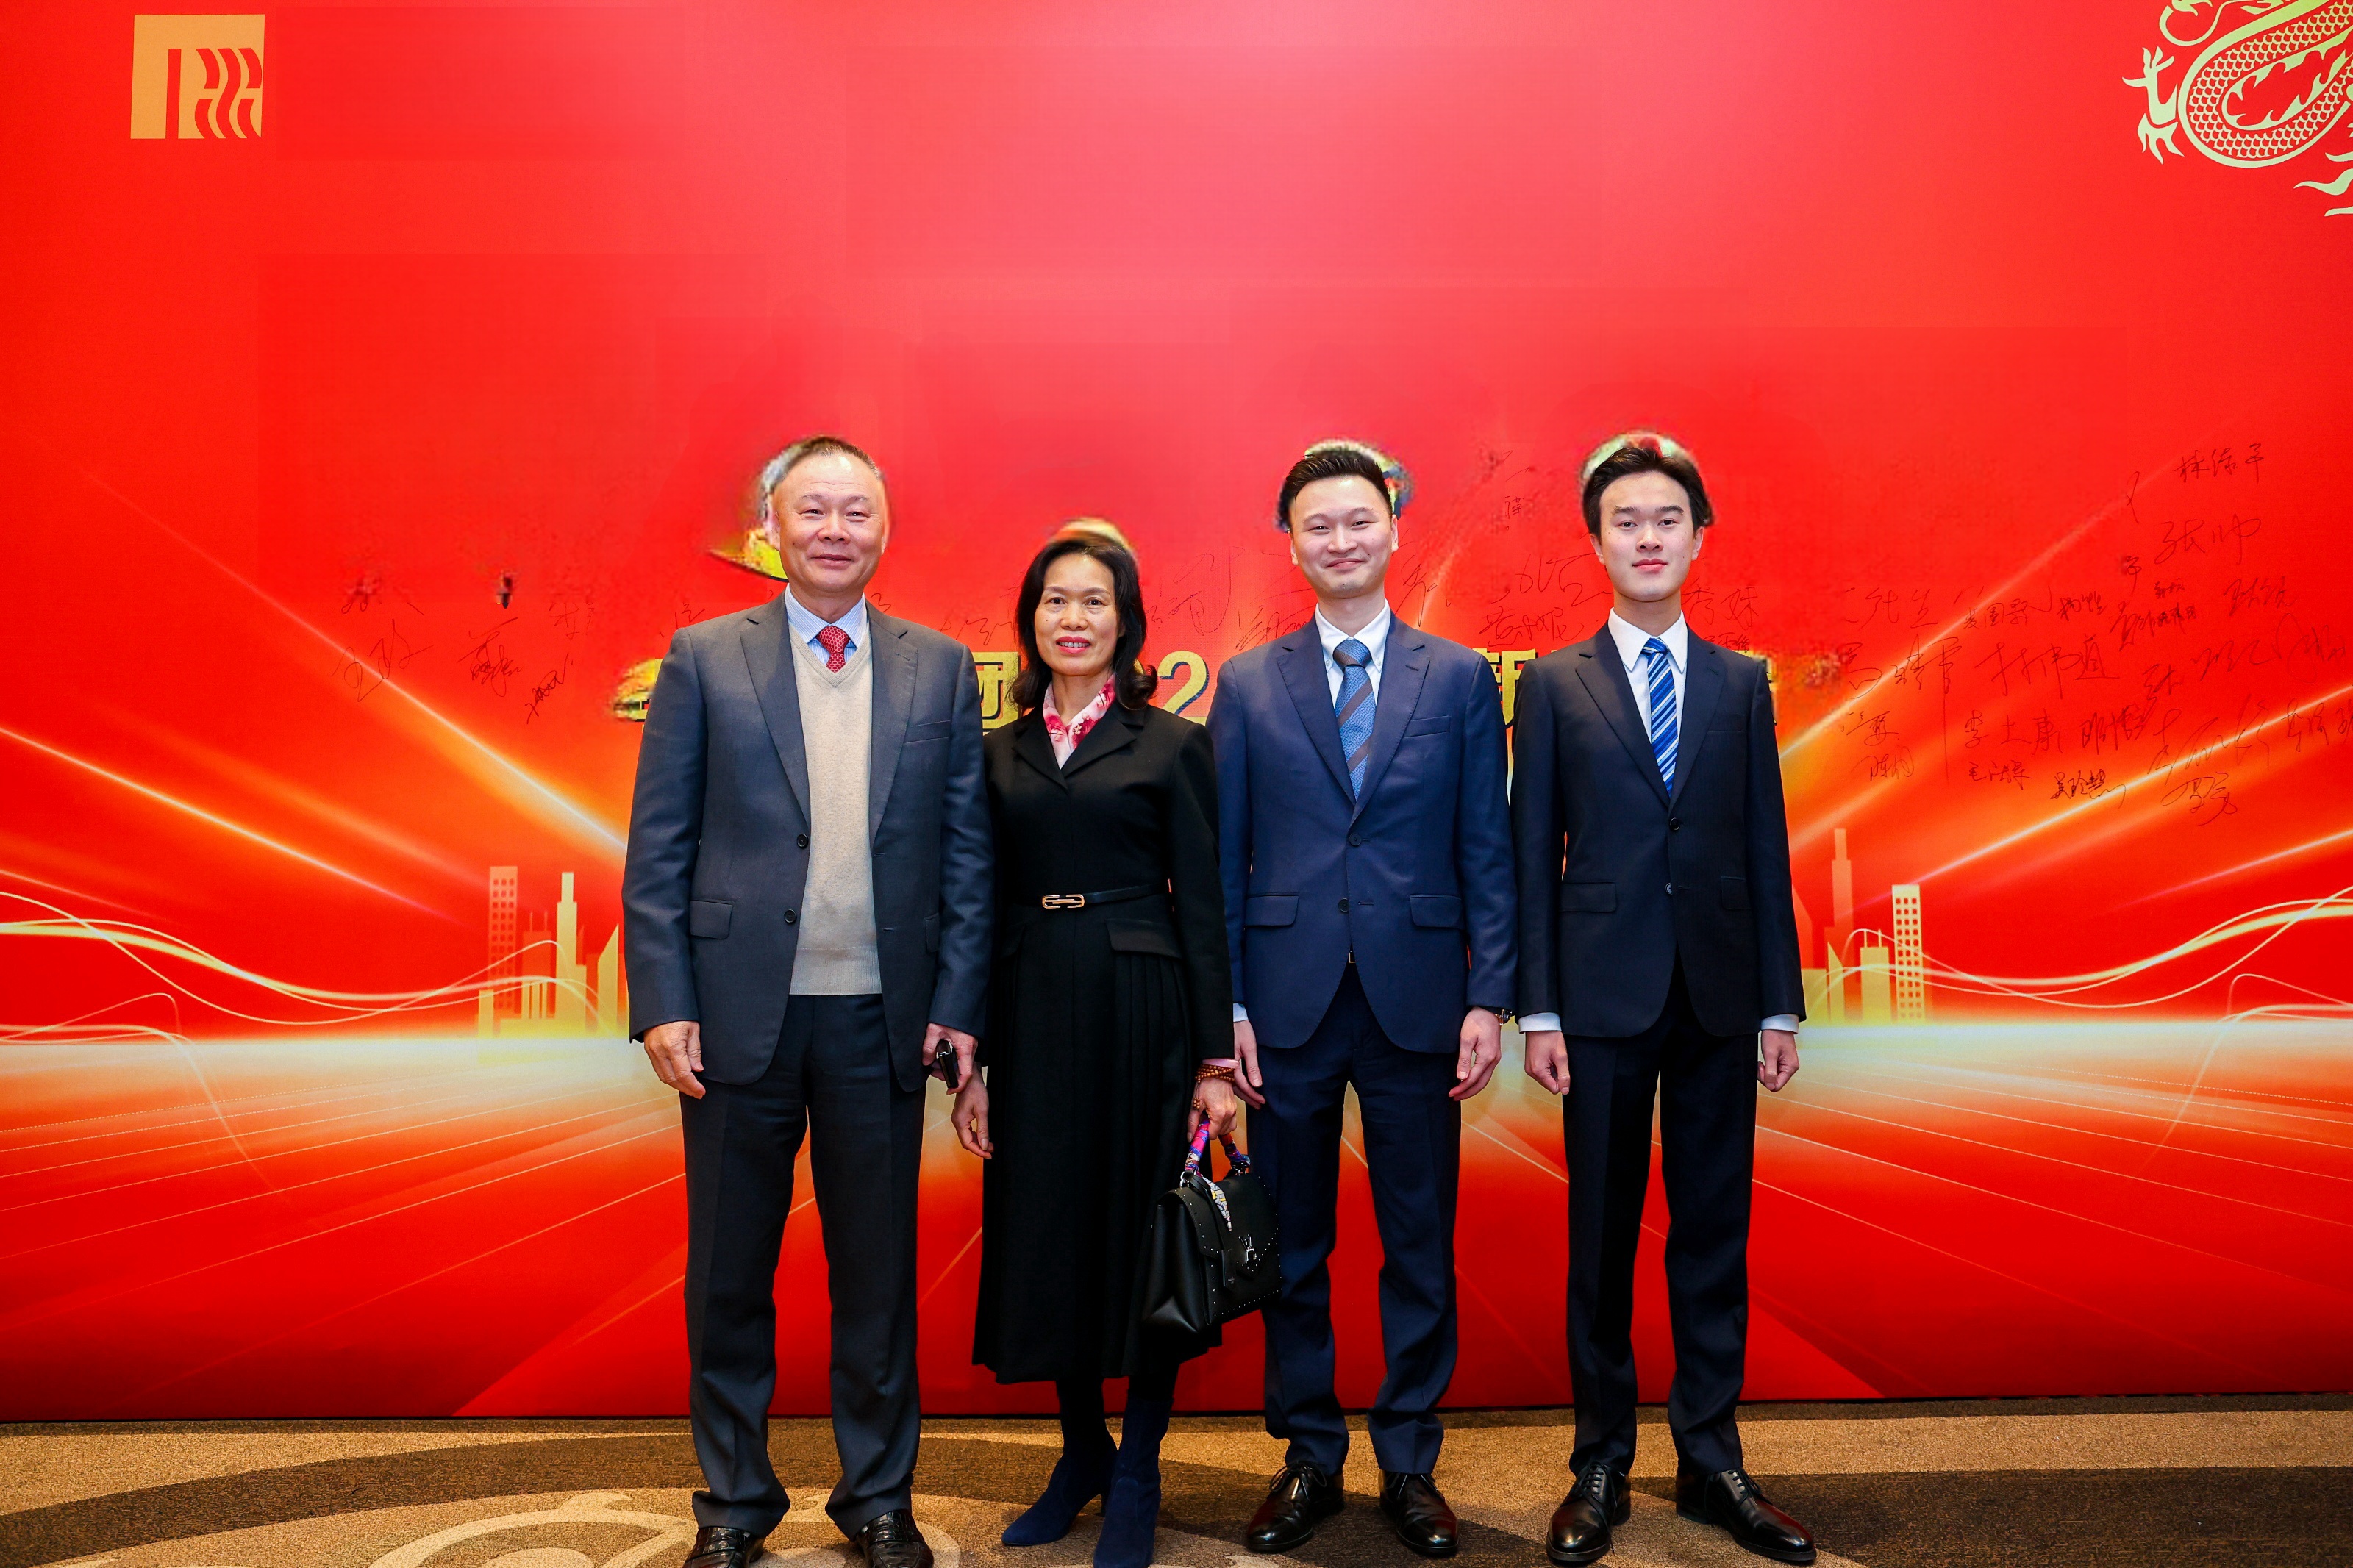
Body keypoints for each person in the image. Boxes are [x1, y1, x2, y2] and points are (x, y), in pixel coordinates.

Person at [623, 435, 993, 1568]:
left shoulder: (940, 667)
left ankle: (878, 1498)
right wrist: (662, 999)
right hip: (739, 1017)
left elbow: (968, 852)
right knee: (729, 1275)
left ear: (886, 529)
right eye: (814, 509)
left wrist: (960, 1000)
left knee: (877, 1279)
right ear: (772, 527)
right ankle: (733, 1506)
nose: (836, 529)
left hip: (884, 1019)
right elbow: (659, 843)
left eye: (857, 512)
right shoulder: (703, 657)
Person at [1510, 432, 1814, 1566]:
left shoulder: (1740, 683)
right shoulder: (1554, 682)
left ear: (1698, 538)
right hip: (1598, 998)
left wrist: (1779, 1003)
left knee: (1713, 1234)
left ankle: (1711, 1457)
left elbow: (1765, 842)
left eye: (1667, 520)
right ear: (1597, 542)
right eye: (1626, 521)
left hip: (1721, 995)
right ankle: (1600, 1460)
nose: (1648, 537)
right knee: (1600, 1238)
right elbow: (1530, 852)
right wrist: (1539, 1008)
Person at [1208, 441, 1515, 1560]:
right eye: (1318, 526)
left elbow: (1487, 847)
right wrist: (1228, 1005)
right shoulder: (1249, 683)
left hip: (1420, 999)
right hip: (1283, 1003)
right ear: (1290, 544)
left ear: (1394, 530)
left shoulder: (1460, 677)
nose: (1340, 540)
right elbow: (1221, 859)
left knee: (1418, 1242)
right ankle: (1308, 1456)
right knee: (1292, 1246)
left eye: (1358, 521)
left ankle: (1410, 1462)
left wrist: (1490, 993)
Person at [948, 521, 1238, 1568]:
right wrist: (973, 1060)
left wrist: (1215, 1062)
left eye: (1094, 601)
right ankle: (1082, 1452)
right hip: (1030, 1003)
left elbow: (1202, 903)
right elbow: (975, 906)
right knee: (1051, 1229)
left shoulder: (1172, 742)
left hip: (1142, 1003)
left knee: (1146, 1233)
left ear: (1127, 623)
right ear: (1032, 620)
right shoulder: (995, 752)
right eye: (1055, 600)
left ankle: (1141, 1468)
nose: (1073, 619)